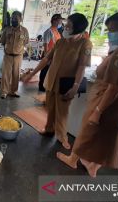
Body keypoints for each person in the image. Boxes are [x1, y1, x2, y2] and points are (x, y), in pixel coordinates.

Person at [56, 9, 118, 177]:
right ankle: (93, 166)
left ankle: (72, 160)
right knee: (108, 139)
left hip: (108, 102)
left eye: (113, 30)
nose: (110, 34)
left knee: (87, 132)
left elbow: (114, 87)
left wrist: (97, 112)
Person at [23, 13, 92, 149]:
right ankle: (49, 130)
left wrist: (75, 86)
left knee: (62, 112)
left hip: (66, 84)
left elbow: (81, 66)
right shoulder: (60, 42)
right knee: (50, 108)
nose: (65, 27)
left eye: (69, 26)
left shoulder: (85, 44)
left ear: (77, 28)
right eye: (65, 25)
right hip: (52, 81)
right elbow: (46, 59)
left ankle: (62, 137)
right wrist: (32, 74)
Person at [0, 11, 29, 99]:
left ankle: (13, 91)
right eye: (12, 18)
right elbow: (2, 41)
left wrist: (22, 50)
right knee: (6, 75)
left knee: (16, 75)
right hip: (8, 55)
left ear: (20, 19)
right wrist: (7, 37)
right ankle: (4, 92)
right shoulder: (7, 29)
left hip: (18, 56)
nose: (13, 20)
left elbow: (26, 42)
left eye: (16, 19)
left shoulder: (24, 31)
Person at [39, 14, 64, 92]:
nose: (61, 22)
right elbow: (45, 44)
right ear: (54, 21)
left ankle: (46, 85)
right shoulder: (49, 31)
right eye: (60, 20)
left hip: (54, 55)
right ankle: (41, 86)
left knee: (49, 71)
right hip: (48, 54)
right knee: (44, 71)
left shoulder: (56, 31)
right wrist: (46, 57)